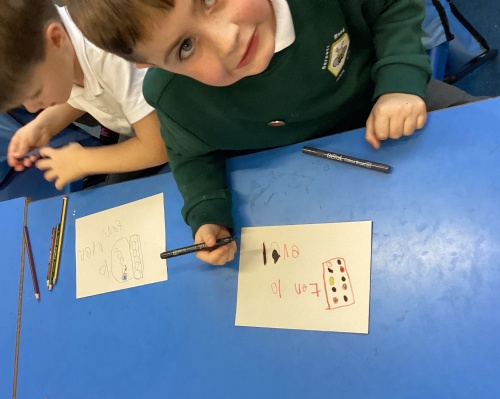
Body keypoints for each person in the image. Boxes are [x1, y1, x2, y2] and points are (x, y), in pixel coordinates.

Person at [65, 0, 478, 266]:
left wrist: (399, 82)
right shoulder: (173, 96)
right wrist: (207, 214)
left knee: (478, 150)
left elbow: (393, 7)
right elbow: (189, 155)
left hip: (385, 101)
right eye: (186, 47)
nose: (227, 40)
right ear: (148, 65)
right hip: (310, 186)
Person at [0, 0, 168, 190]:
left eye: (36, 92)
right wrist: (43, 126)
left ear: (56, 39)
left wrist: (83, 161)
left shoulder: (107, 54)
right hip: (143, 128)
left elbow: (160, 145)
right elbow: (82, 96)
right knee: (115, 189)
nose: (32, 108)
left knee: (122, 191)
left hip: (175, 129)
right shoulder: (61, 56)